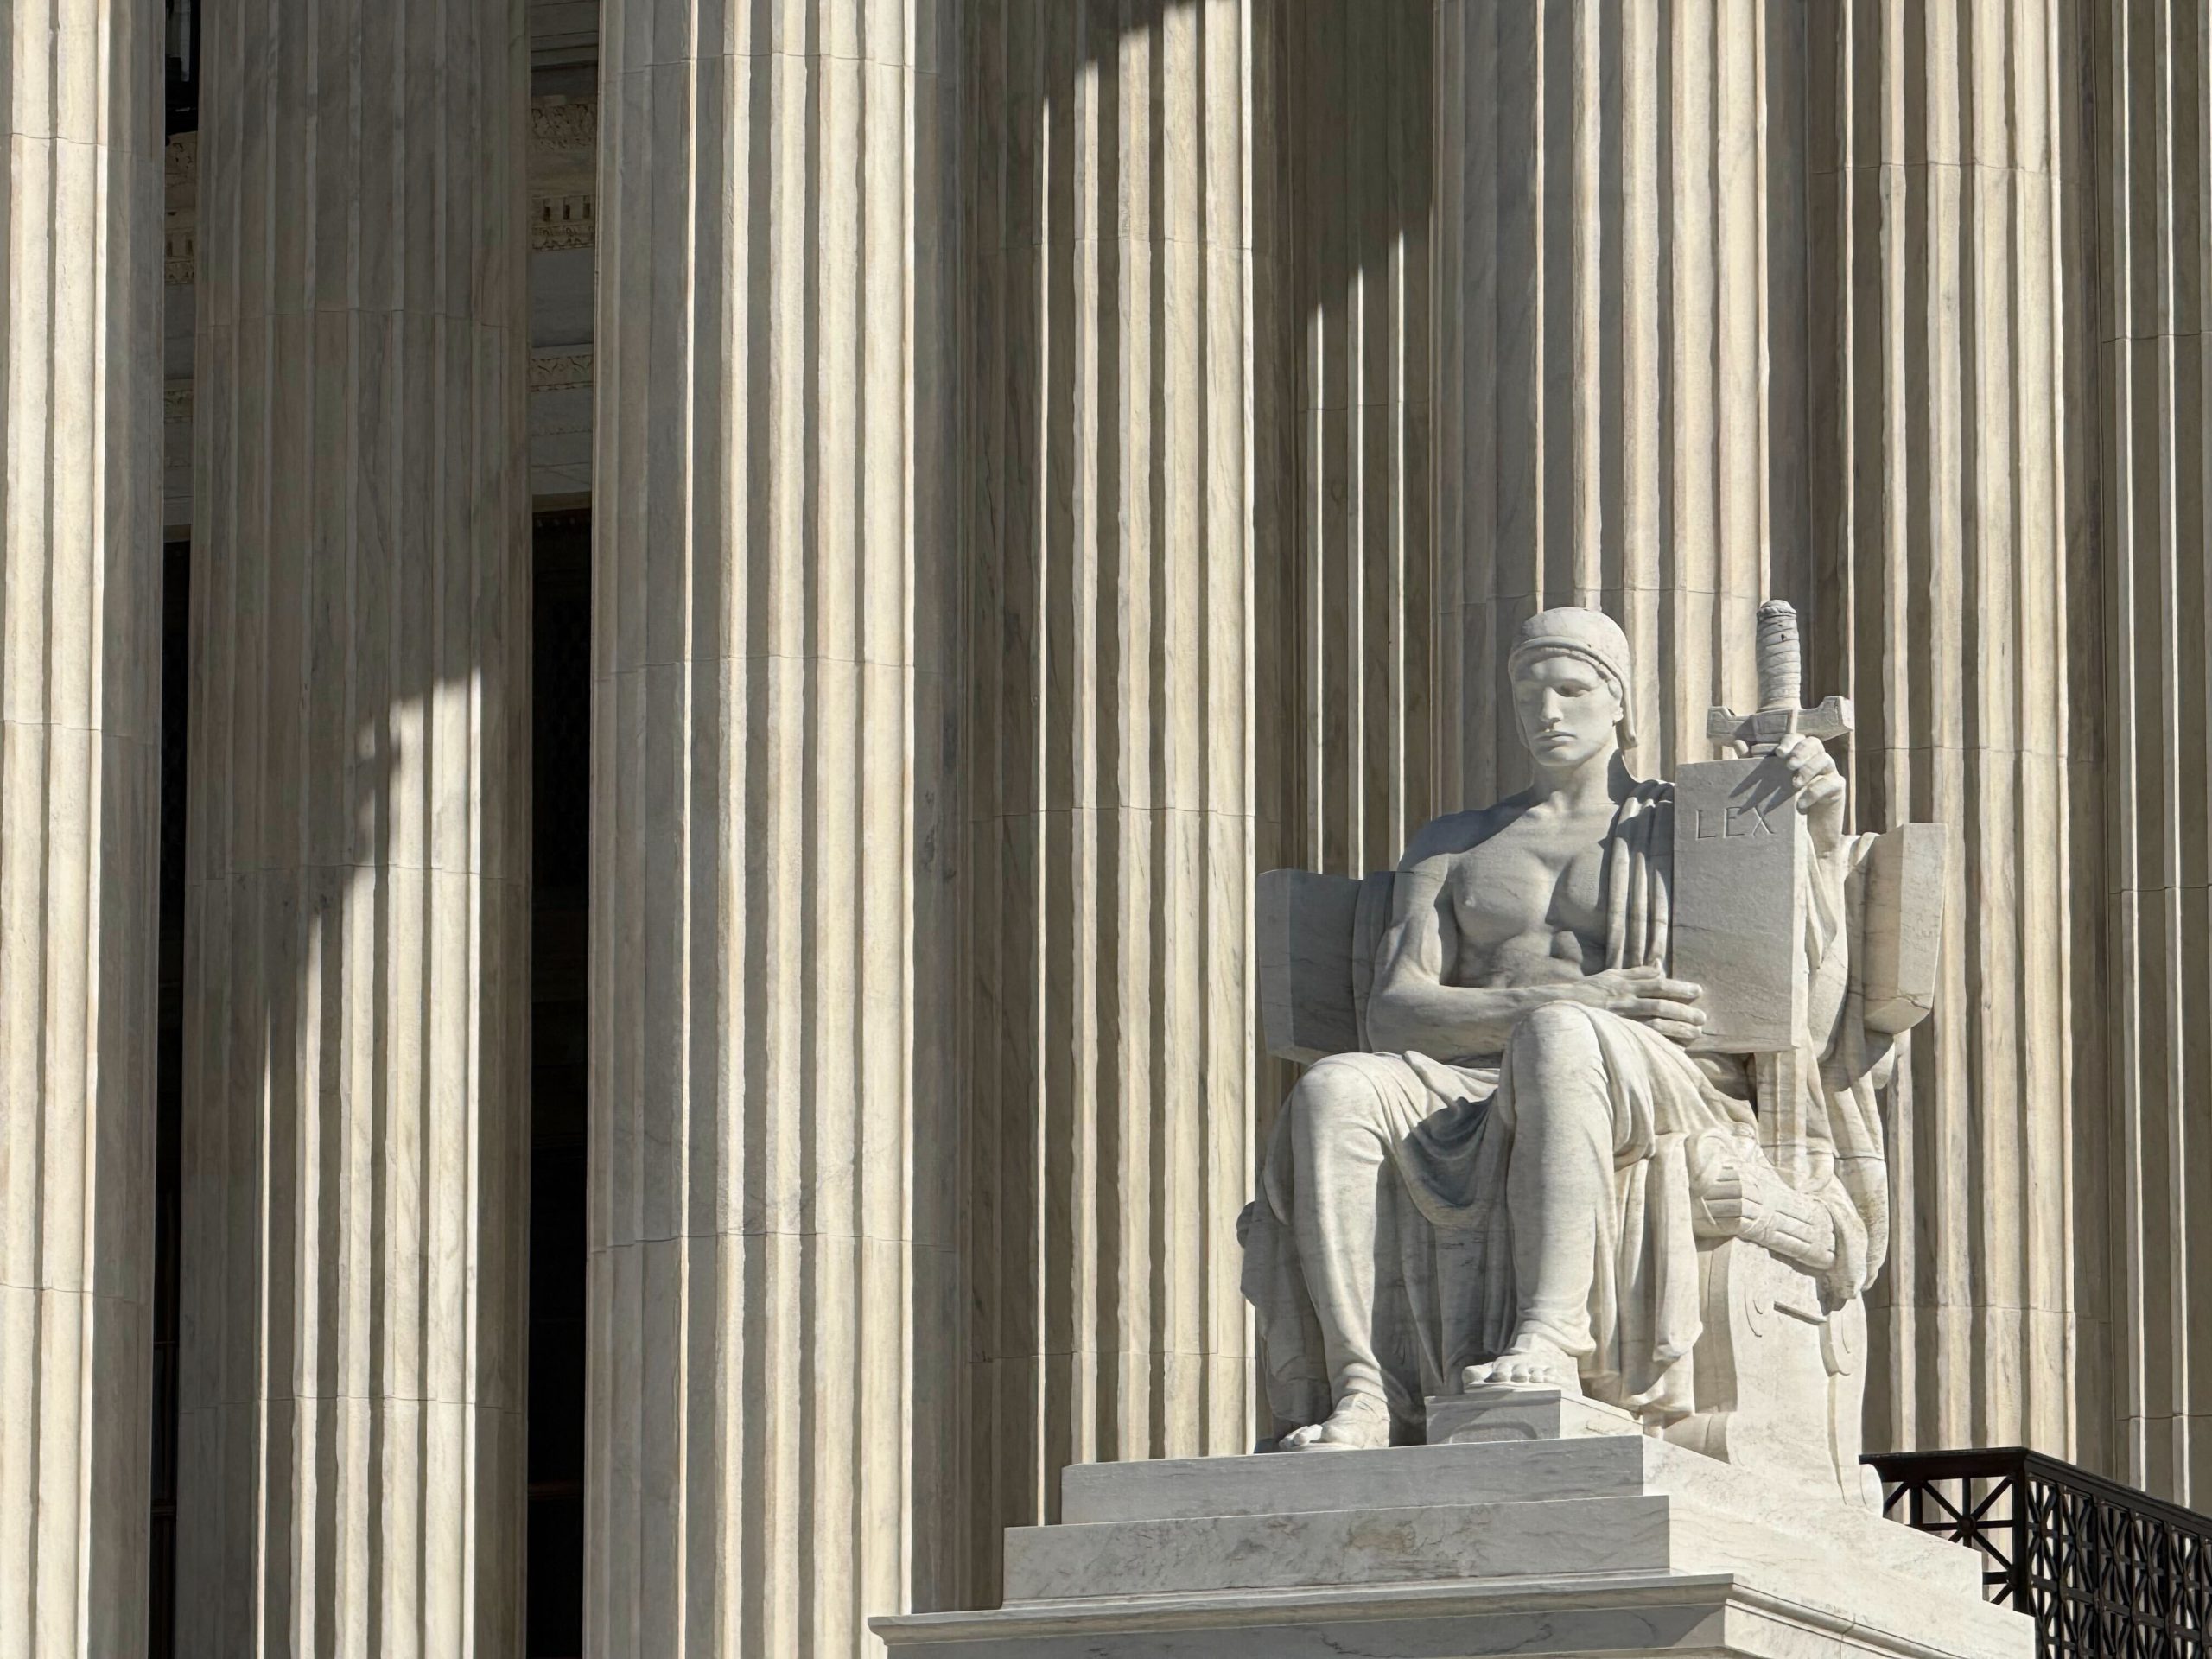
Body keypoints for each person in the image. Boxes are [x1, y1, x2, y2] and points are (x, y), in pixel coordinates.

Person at [1242, 607, 1859, 1451]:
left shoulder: (1689, 822)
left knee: (1559, 1039)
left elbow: (1801, 990)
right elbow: (1392, 1010)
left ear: (1619, 704)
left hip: (1658, 1078)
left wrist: (1815, 835)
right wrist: (1579, 1000)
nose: (1548, 713)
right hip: (1471, 1079)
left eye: (1571, 690)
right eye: (1530, 694)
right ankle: (1362, 1388)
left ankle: (1552, 1339)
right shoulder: (1453, 845)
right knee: (1335, 1089)